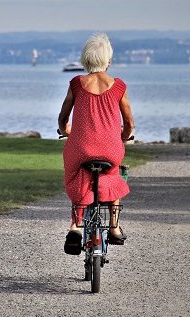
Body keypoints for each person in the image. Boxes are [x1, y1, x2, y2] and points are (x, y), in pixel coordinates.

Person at [58, 33, 135, 255]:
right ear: (108, 60)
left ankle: (75, 226)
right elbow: (129, 122)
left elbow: (63, 118)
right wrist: (123, 136)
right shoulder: (118, 86)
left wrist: (67, 131)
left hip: (81, 147)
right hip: (110, 149)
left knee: (77, 174)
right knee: (113, 175)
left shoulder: (76, 84)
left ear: (85, 59)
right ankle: (114, 226)